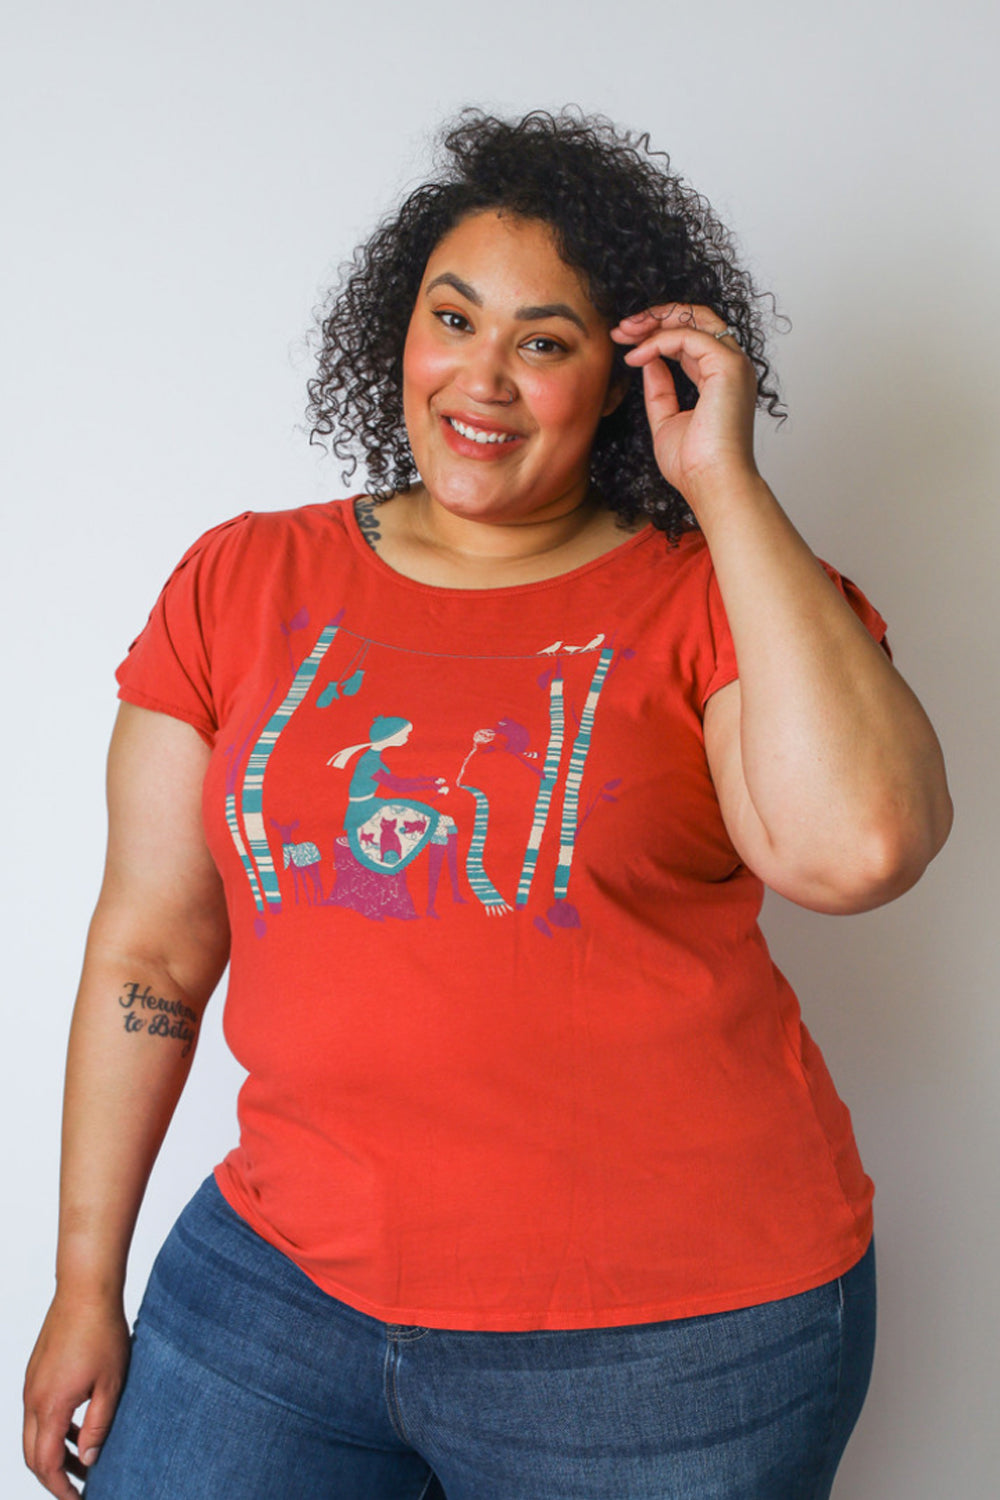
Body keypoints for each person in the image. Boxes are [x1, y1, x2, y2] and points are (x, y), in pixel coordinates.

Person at [23, 108, 952, 1500]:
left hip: (671, 1345)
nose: (485, 377)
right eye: (453, 319)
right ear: (395, 331)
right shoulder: (240, 582)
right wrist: (83, 1283)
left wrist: (724, 485)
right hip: (284, 1295)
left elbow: (858, 848)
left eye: (546, 340)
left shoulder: (710, 593)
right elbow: (150, 950)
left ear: (623, 373)